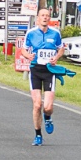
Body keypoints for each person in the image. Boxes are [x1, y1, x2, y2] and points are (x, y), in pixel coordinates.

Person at [23, 8, 63, 146]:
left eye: (47, 15)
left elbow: (61, 48)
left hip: (49, 71)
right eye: (42, 15)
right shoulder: (31, 33)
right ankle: (38, 135)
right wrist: (28, 55)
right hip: (35, 70)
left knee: (47, 106)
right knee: (37, 104)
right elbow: (23, 49)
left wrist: (56, 58)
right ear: (38, 18)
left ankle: (47, 116)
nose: (45, 18)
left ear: (49, 18)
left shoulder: (55, 33)